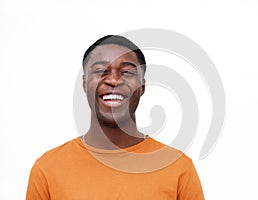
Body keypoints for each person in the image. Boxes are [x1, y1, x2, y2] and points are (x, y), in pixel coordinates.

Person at [26, 35, 205, 199]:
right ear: (84, 83)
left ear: (142, 87)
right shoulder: (48, 169)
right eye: (100, 71)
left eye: (127, 72)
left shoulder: (179, 168)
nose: (114, 80)